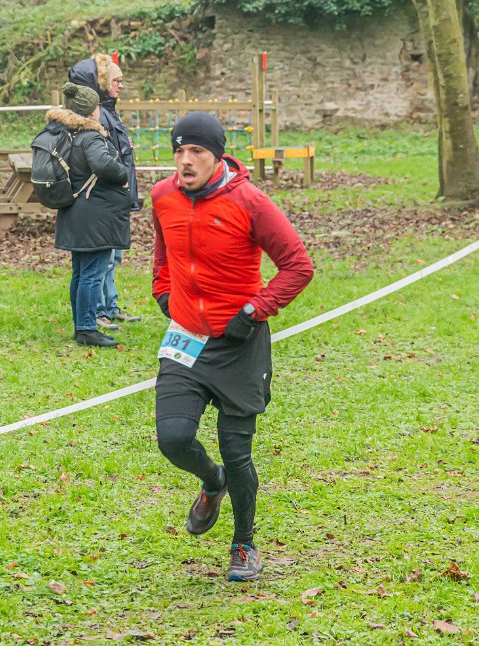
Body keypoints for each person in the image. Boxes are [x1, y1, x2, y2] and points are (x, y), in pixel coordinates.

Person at [150, 112, 313, 582]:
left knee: (236, 449)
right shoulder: (162, 197)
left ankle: (244, 543)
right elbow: (163, 254)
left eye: (196, 151)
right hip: (186, 338)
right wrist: (163, 292)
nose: (185, 161)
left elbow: (298, 266)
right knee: (173, 438)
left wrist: (254, 311)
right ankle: (211, 479)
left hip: (240, 344)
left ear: (217, 156)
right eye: (179, 151)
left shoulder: (249, 201)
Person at [50, 82, 131, 348]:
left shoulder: (66, 133)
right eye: (97, 105)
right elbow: (101, 163)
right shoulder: (91, 136)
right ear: (92, 110)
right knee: (92, 273)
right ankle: (86, 328)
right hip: (94, 213)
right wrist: (123, 174)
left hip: (75, 211)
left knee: (81, 272)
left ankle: (81, 325)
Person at [68, 53, 141, 332]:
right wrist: (121, 181)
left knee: (112, 258)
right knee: (102, 260)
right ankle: (98, 311)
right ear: (100, 83)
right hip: (104, 199)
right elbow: (105, 160)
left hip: (116, 198)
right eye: (115, 81)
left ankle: (109, 306)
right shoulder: (98, 117)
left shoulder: (108, 112)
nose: (120, 85)